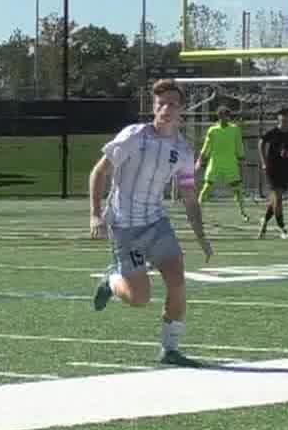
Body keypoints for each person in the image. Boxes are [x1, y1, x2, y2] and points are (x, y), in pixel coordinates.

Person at [89, 78, 214, 365]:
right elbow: (99, 172)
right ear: (153, 107)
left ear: (181, 109)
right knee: (139, 298)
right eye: (161, 104)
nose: (166, 109)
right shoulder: (134, 136)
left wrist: (201, 237)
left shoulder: (183, 151)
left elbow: (189, 196)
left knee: (178, 280)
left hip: (156, 223)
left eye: (172, 104)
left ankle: (169, 349)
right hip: (125, 227)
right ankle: (111, 280)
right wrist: (96, 213)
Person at [259, 106, 288, 240]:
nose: (287, 120)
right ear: (279, 119)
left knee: (275, 199)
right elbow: (261, 142)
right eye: (284, 118)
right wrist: (263, 162)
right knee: (278, 198)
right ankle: (282, 229)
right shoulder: (273, 132)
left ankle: (265, 220)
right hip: (273, 168)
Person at [195, 106, 250, 222]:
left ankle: (243, 212)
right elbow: (206, 146)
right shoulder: (212, 130)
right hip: (215, 163)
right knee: (206, 188)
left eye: (226, 116)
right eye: (222, 116)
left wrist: (242, 160)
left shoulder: (235, 129)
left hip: (230, 164)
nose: (224, 118)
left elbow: (239, 145)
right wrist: (200, 160)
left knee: (237, 189)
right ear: (219, 117)